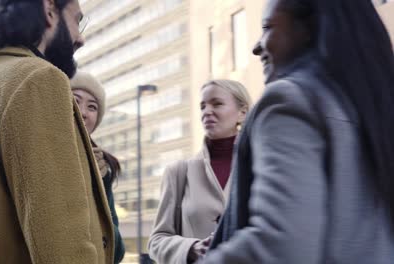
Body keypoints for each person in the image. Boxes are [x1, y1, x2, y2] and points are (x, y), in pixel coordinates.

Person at [200, 0, 394, 263]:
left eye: (268, 27)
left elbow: (280, 245)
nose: (257, 46)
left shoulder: (288, 100)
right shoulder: (368, 112)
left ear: (307, 29)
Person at [0, 0, 116, 263]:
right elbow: (64, 249)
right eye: (77, 20)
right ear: (49, 9)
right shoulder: (37, 80)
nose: (80, 38)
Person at [148, 79, 252, 264]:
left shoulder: (260, 167)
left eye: (217, 104)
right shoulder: (178, 172)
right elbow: (156, 241)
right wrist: (190, 249)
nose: (207, 111)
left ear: (242, 113)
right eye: (202, 106)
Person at [70, 71, 125, 264]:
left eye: (92, 107)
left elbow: (116, 249)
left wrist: (97, 185)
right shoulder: (41, 151)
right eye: (75, 101)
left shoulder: (103, 166)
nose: (83, 112)